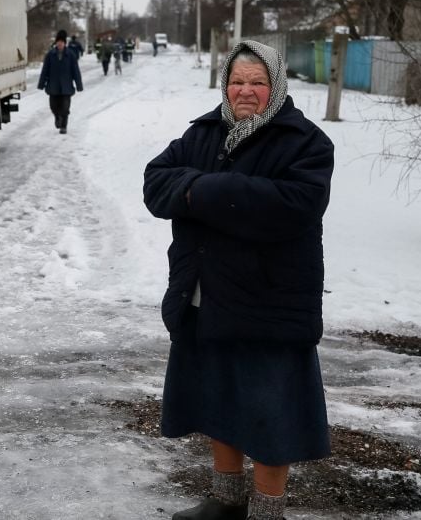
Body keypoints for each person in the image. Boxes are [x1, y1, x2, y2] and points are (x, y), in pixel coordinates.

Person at [142, 40, 334, 520]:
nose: (245, 91)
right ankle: (226, 503)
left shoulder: (306, 142)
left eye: (257, 82)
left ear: (277, 85)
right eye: (237, 82)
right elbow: (155, 182)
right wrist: (196, 188)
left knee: (273, 414)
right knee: (215, 399)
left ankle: (268, 512)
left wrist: (202, 189)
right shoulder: (203, 132)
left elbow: (292, 207)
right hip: (205, 294)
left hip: (269, 302)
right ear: (226, 85)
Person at [37, 29, 83, 134]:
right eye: (58, 42)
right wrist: (41, 84)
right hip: (53, 86)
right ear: (56, 43)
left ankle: (64, 127)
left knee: (65, 108)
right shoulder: (50, 55)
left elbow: (76, 71)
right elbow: (45, 70)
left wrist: (79, 85)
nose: (60, 44)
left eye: (62, 42)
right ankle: (57, 116)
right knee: (53, 106)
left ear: (64, 43)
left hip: (66, 86)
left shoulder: (71, 55)